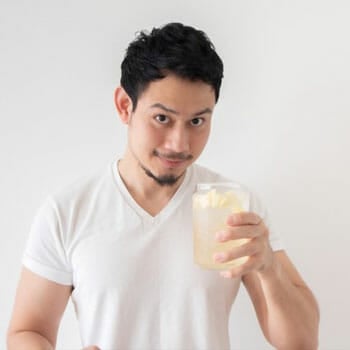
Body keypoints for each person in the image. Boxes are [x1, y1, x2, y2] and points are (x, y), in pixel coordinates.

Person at [7, 22, 319, 350]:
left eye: (197, 121)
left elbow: (302, 341)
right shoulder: (68, 211)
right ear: (124, 106)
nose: (179, 143)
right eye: (162, 118)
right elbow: (28, 331)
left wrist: (268, 266)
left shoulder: (233, 206)